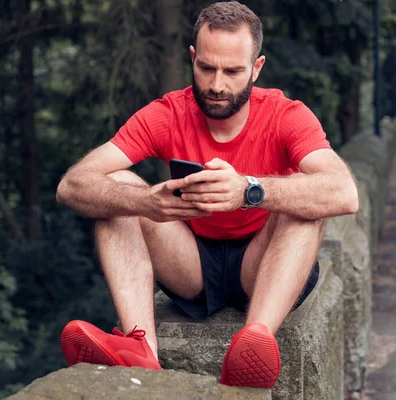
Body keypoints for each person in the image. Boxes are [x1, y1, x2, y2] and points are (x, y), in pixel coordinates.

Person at [56, 1, 358, 389]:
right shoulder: (166, 113)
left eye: (233, 71)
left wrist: (250, 190)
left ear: (257, 67)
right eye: (206, 68)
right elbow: (73, 185)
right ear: (193, 58)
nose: (217, 85)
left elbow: (344, 192)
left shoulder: (286, 115)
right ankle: (140, 348)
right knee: (121, 189)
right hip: (192, 266)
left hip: (263, 264)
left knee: (308, 200)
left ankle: (255, 340)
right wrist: (146, 202)